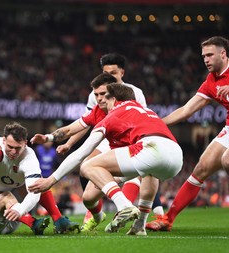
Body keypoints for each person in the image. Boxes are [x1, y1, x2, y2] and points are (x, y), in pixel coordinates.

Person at [29, 83, 183, 236]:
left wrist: (50, 180)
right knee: (147, 172)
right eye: (97, 95)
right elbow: (72, 128)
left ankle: (124, 206)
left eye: (105, 97)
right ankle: (139, 225)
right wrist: (51, 137)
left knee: (87, 166)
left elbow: (81, 153)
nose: (101, 100)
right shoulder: (145, 110)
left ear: (114, 100)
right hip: (175, 155)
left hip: (149, 149)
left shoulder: (114, 113)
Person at [146, 36, 229, 232]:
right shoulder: (212, 81)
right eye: (203, 56)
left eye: (210, 55)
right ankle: (168, 219)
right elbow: (186, 110)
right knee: (201, 168)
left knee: (227, 160)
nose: (206, 60)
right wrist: (156, 124)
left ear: (223, 54)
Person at [0, 121, 79, 234]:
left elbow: (35, 193)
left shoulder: (29, 158)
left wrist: (21, 210)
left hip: (15, 187)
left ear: (25, 143)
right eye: (10, 147)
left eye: (18, 148)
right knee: (5, 193)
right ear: (3, 140)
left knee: (39, 183)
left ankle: (58, 219)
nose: (13, 152)